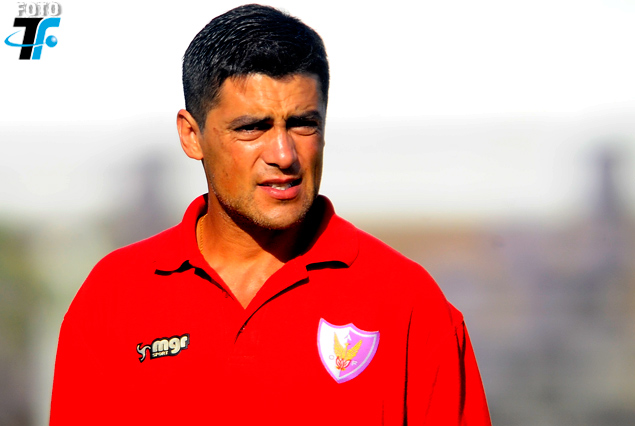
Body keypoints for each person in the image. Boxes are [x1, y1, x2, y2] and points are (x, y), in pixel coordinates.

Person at [50, 4, 491, 425]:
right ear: (191, 135)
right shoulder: (114, 298)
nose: (284, 154)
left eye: (303, 124)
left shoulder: (408, 303)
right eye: (252, 128)